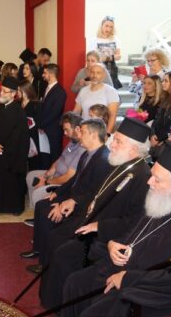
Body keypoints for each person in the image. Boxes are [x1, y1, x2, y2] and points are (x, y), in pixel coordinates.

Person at [62, 141, 171, 317]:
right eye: (152, 175)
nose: (149, 182)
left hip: (155, 289)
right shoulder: (161, 199)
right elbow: (133, 232)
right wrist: (114, 244)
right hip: (128, 267)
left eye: (157, 179)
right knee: (75, 283)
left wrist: (128, 278)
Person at [39, 117, 152, 309]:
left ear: (133, 149)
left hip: (107, 238)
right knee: (60, 251)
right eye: (114, 139)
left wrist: (99, 225)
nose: (111, 144)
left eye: (118, 141)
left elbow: (134, 221)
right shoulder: (120, 164)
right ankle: (53, 302)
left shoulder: (143, 178)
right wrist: (78, 203)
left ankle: (57, 306)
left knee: (63, 257)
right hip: (91, 224)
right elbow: (98, 193)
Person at [22, 119, 112, 273]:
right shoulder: (87, 153)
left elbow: (95, 192)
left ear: (93, 135)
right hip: (73, 197)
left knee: (47, 213)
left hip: (82, 205)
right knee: (42, 205)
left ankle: (46, 264)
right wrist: (57, 193)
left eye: (82, 132)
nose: (79, 135)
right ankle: (39, 250)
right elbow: (74, 180)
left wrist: (65, 202)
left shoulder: (103, 159)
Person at [0, 77, 29, 214]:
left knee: (11, 183)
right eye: (1, 91)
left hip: (12, 156)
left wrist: (2, 148)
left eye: (5, 92)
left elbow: (19, 138)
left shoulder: (19, 112)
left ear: (13, 94)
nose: (1, 94)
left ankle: (13, 208)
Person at [25, 112, 85, 209]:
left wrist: (47, 182)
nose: (65, 133)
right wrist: (46, 175)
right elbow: (60, 160)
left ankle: (40, 212)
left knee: (38, 193)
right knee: (31, 176)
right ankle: (36, 210)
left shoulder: (82, 148)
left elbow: (68, 177)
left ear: (77, 128)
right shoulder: (72, 142)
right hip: (54, 177)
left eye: (66, 130)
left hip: (63, 185)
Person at [74, 64, 120, 133]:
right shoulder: (83, 90)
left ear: (103, 75)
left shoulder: (111, 91)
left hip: (101, 133)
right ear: (89, 74)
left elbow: (112, 115)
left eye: (98, 73)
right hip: (85, 131)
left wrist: (107, 134)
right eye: (92, 72)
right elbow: (76, 111)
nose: (94, 75)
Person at [38, 63, 67, 166]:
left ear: (51, 74)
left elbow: (55, 112)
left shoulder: (60, 92)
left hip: (53, 130)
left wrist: (41, 124)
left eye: (45, 73)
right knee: (45, 155)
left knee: (54, 155)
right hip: (44, 128)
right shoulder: (46, 88)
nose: (43, 75)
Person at [19, 81, 46, 171]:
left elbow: (38, 122)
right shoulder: (17, 104)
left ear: (25, 91)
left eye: (19, 90)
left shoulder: (36, 105)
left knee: (34, 164)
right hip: (21, 138)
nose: (17, 92)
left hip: (33, 139)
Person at [89, 16, 122, 89]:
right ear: (102, 26)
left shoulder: (115, 39)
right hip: (98, 69)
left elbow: (119, 56)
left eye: (111, 27)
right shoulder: (94, 40)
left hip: (112, 68)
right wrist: (111, 57)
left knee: (112, 90)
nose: (108, 29)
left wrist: (105, 58)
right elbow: (92, 57)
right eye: (106, 26)